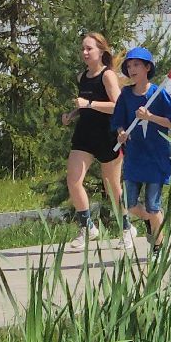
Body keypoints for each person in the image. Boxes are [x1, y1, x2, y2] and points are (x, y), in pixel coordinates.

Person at [111, 46, 171, 258]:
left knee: (153, 204)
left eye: (136, 65)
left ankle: (158, 248)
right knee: (130, 204)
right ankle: (154, 220)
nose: (131, 69)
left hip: (156, 158)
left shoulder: (158, 94)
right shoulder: (125, 95)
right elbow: (118, 122)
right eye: (129, 65)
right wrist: (121, 133)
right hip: (135, 157)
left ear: (147, 67)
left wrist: (150, 117)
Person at [62, 31, 126, 252]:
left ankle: (126, 228)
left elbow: (118, 105)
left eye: (89, 48)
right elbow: (84, 105)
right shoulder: (82, 77)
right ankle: (87, 227)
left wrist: (87, 104)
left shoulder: (107, 75)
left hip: (107, 135)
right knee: (73, 180)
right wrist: (72, 114)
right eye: (83, 49)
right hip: (84, 135)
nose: (85, 52)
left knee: (112, 187)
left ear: (101, 51)